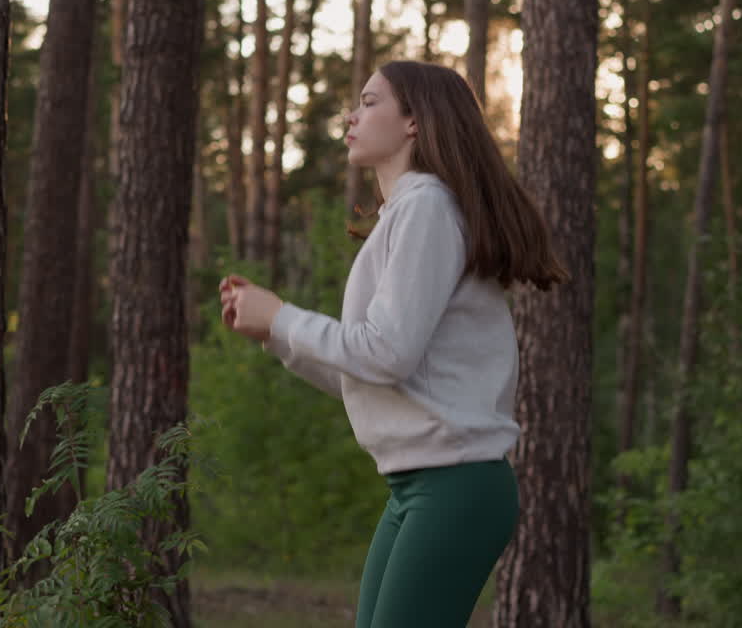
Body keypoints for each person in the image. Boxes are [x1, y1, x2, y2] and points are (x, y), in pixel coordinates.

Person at [218, 60, 568, 628]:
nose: (351, 116)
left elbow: (384, 353)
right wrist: (276, 335)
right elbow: (373, 375)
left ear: (414, 121)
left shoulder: (426, 206)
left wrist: (284, 317)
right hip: (419, 486)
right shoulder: (408, 212)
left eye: (369, 101)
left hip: (453, 486)